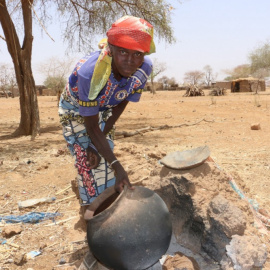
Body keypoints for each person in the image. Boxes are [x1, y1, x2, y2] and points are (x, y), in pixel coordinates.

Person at [58, 15, 155, 220]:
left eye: (137, 54)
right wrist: (117, 165)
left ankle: (107, 207)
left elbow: (122, 100)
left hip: (105, 108)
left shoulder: (143, 70)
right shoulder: (90, 73)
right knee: (88, 157)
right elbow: (90, 127)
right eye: (122, 51)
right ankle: (91, 213)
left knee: (104, 151)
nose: (130, 60)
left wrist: (103, 138)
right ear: (110, 49)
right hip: (76, 110)